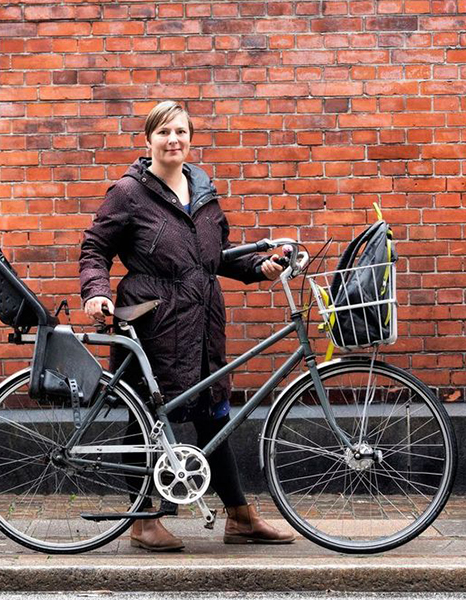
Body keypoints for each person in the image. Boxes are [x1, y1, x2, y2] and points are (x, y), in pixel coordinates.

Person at [79, 101, 295, 550]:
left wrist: (262, 267)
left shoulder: (203, 189)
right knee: (148, 419)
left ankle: (239, 516)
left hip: (202, 320)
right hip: (153, 318)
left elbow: (221, 255)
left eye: (180, 131)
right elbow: (95, 247)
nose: (173, 139)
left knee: (213, 416)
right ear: (148, 140)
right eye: (163, 132)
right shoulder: (128, 192)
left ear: (190, 137)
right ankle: (145, 522)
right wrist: (95, 290)